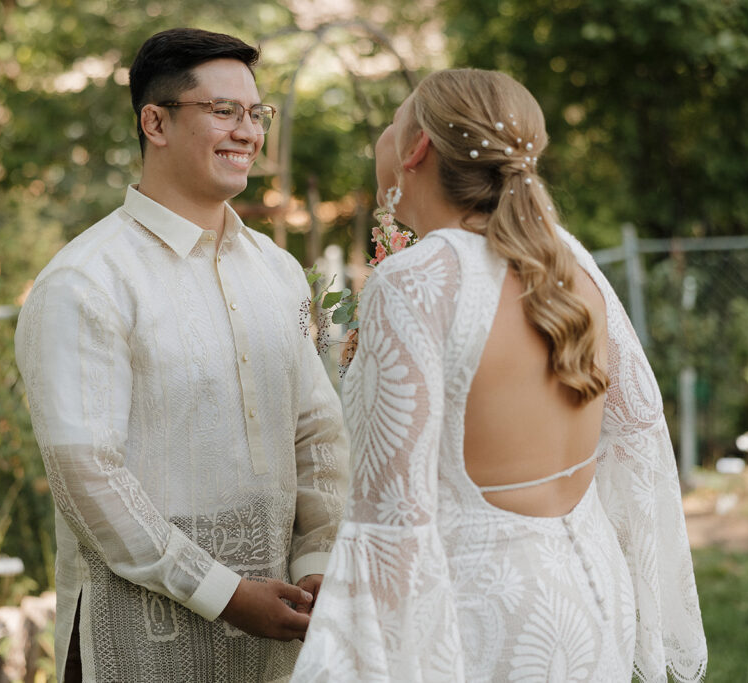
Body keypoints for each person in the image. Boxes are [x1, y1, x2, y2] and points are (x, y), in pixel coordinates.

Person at [291, 69, 707, 681]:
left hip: (481, 613)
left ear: (417, 149)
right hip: (590, 592)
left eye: (394, 120)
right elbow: (639, 420)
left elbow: (391, 519)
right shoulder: (564, 256)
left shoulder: (417, 282)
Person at [15, 28, 348, 682]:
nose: (248, 132)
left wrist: (318, 561)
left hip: (278, 634)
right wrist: (224, 592)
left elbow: (316, 431)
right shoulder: (86, 281)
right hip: (139, 643)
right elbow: (88, 473)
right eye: (224, 111)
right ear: (154, 122)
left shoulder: (278, 271)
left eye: (256, 114)